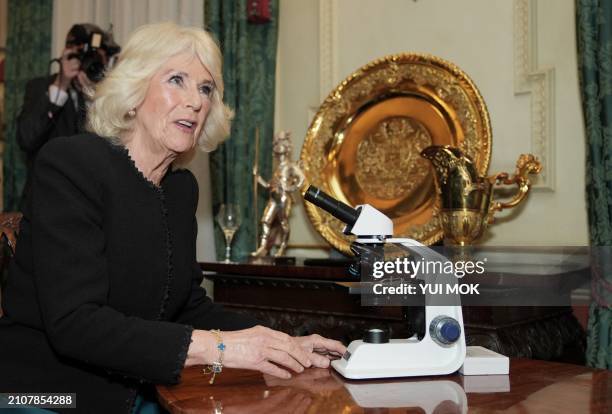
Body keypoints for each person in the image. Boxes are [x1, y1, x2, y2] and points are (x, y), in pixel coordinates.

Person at [0, 22, 345, 413]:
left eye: (205, 88)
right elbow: (75, 323)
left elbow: (186, 306)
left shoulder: (181, 190)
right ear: (134, 91)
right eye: (177, 79)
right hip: (45, 394)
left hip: (138, 391)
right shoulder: (71, 164)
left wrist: (283, 343)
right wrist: (220, 349)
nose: (196, 102)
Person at [16, 23, 120, 208]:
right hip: (46, 202)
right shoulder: (41, 87)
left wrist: (95, 97)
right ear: (68, 54)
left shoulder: (108, 96)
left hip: (92, 204)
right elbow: (26, 138)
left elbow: (115, 149)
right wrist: (61, 86)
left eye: (96, 60)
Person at [251, 131, 305, 257]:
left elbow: (301, 179)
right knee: (265, 221)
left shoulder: (290, 166)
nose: (277, 144)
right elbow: (268, 186)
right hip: (273, 198)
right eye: (276, 142)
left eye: (281, 142)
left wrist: (289, 188)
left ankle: (282, 249)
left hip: (283, 198)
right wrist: (258, 178)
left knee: (283, 223)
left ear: (286, 147)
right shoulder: (278, 168)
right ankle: (262, 248)